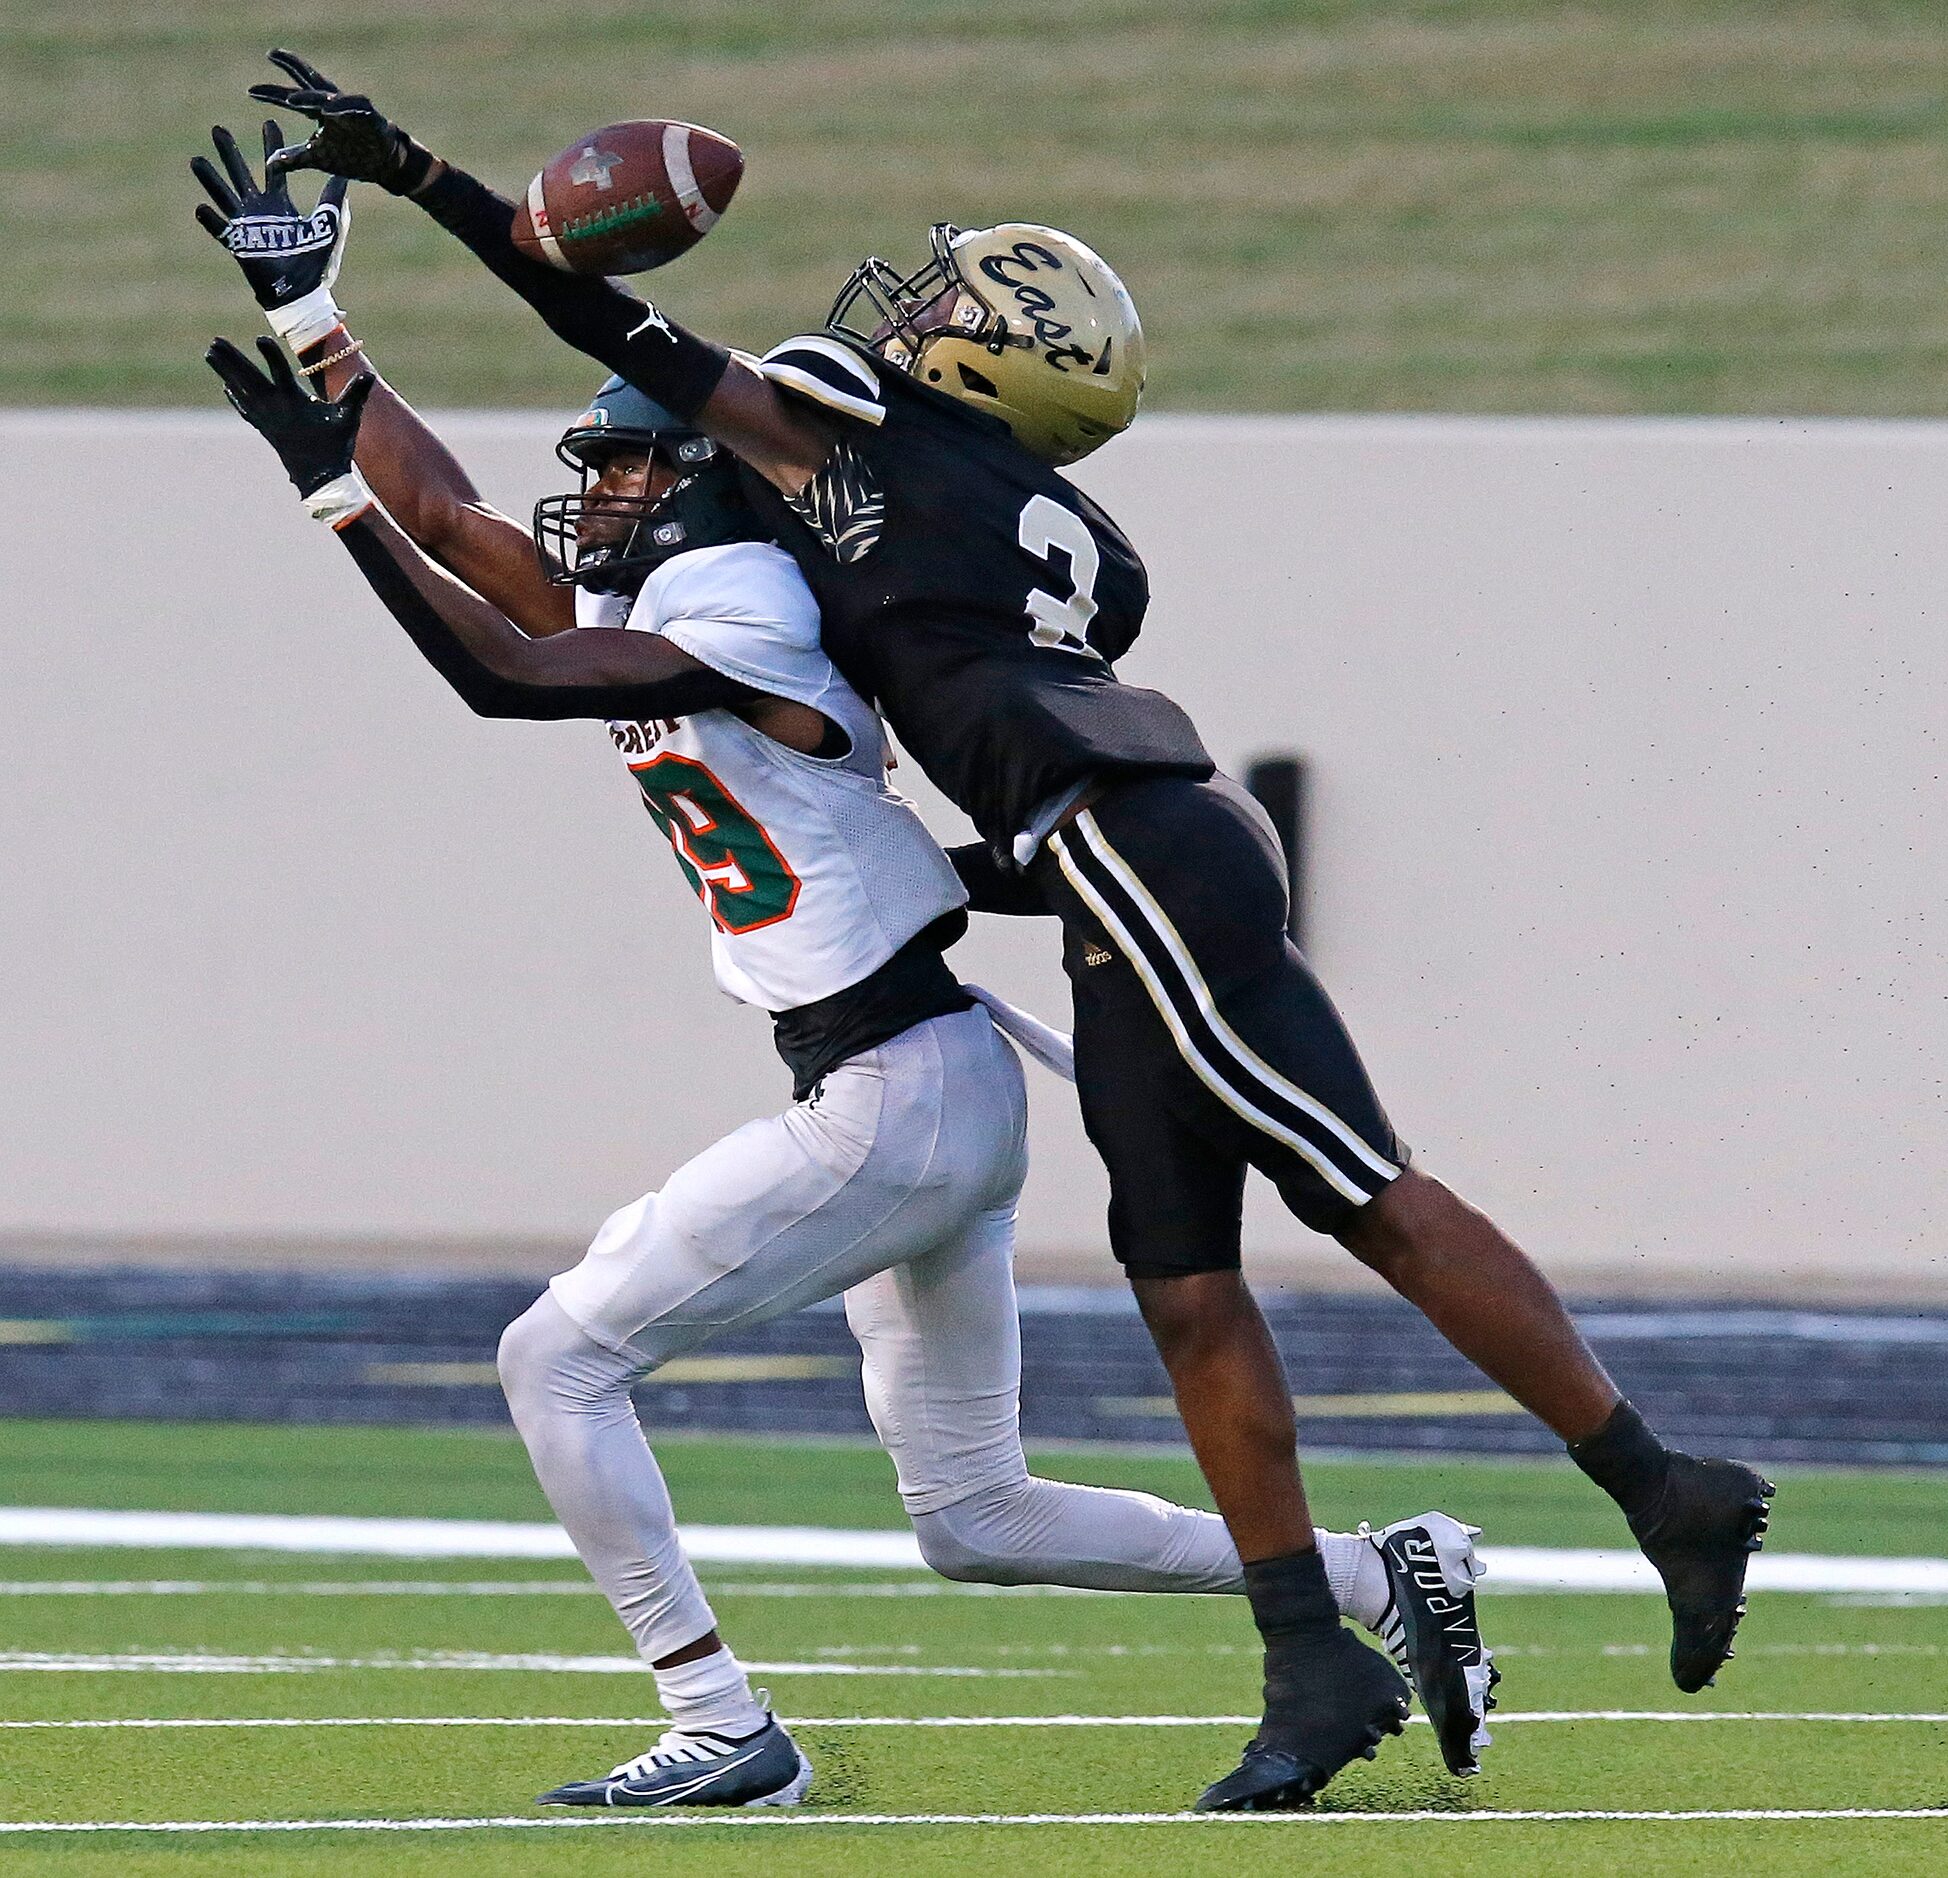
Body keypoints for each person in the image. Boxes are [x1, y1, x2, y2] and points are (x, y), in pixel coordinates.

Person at [245, 49, 1779, 1811]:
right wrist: (312, 319)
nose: (903, 313)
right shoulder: (834, 547)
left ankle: (1656, 1479)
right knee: (1132, 1342)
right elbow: (490, 533)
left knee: (1351, 1196)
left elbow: (538, 523)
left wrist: (424, 207)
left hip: (1049, 929)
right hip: (1059, 907)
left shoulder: (772, 544)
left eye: (950, 305)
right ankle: (1330, 1631)